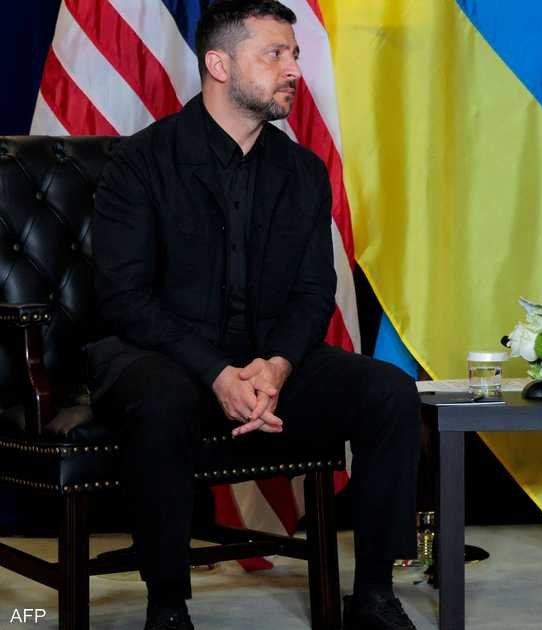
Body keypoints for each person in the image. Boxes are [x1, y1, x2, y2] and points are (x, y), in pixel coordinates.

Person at [89, 1, 420, 628]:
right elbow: (124, 298)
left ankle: (375, 595)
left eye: (293, 54)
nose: (292, 69)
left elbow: (313, 292)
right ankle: (167, 606)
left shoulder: (304, 172)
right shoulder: (141, 162)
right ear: (219, 65)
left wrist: (278, 365)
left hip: (267, 358)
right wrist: (217, 372)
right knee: (160, 399)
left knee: (390, 393)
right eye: (274, 54)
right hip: (163, 355)